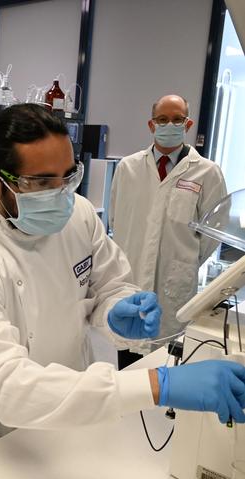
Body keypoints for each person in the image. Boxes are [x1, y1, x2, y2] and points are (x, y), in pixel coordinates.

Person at [0, 104, 245, 463]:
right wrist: (157, 385)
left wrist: (116, 309)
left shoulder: (79, 214)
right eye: (42, 182)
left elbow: (110, 284)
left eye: (69, 175)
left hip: (76, 406)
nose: (61, 192)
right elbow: (8, 387)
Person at [109, 94, 227, 367]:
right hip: (132, 278)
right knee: (127, 363)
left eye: (177, 119)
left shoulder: (206, 172)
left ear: (188, 124)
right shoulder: (128, 168)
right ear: (151, 125)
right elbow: (117, 219)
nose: (169, 125)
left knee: (166, 367)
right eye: (162, 120)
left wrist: (184, 262)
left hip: (173, 287)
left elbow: (213, 232)